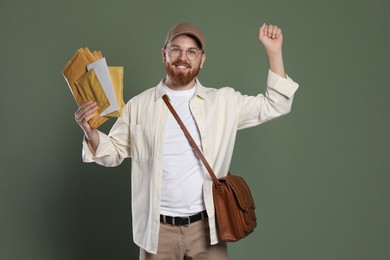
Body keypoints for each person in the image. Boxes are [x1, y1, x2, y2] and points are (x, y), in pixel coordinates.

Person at [74, 22, 299, 260]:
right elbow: (113, 152)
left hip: (208, 229)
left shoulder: (224, 102)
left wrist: (274, 52)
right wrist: (90, 132)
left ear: (202, 59)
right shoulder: (138, 106)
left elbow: (277, 104)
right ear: (164, 54)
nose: (183, 57)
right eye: (176, 49)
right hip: (156, 232)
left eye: (192, 52)